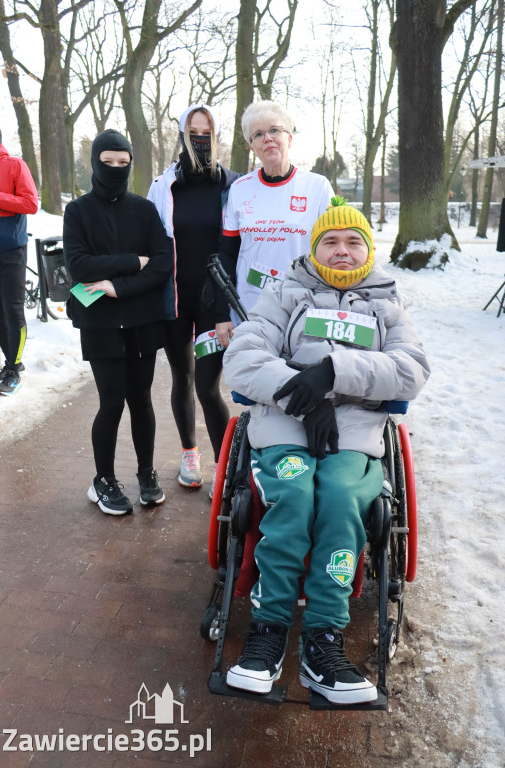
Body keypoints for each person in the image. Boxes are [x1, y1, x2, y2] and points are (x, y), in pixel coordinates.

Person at [222, 198, 430, 705]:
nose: (341, 250)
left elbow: (411, 369)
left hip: (355, 434)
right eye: (330, 242)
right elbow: (243, 359)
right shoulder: (284, 296)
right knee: (292, 494)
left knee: (339, 501)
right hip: (288, 425)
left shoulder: (388, 306)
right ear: (314, 251)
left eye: (353, 241)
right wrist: (300, 392)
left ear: (368, 249)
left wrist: (334, 373)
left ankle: (323, 641)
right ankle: (268, 629)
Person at [64, 129, 174, 516]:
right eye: (107, 162)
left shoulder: (143, 210)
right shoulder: (77, 211)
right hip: (100, 323)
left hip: (141, 319)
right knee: (111, 401)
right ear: (94, 162)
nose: (114, 169)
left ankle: (146, 472)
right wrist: (131, 262)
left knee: (141, 400)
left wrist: (119, 287)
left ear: (131, 164)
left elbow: (162, 262)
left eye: (122, 163)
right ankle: (103, 479)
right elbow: (78, 265)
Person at [148, 104, 240, 497]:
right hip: (174, 301)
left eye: (207, 132)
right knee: (182, 379)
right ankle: (189, 453)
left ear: (216, 136)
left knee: (207, 386)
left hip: (211, 304)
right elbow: (151, 241)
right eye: (193, 131)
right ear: (182, 134)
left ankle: (224, 468)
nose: (200, 138)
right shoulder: (165, 184)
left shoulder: (232, 185)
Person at [214, 100, 334, 348]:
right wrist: (221, 313)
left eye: (274, 130)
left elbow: (334, 251)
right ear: (252, 146)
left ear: (289, 138)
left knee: (297, 383)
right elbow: (227, 254)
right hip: (250, 311)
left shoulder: (318, 187)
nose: (267, 138)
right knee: (250, 382)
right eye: (258, 134)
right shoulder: (240, 189)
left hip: (303, 309)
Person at [0, 123, 38, 396]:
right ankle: (10, 365)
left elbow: (31, 203)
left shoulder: (14, 165)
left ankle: (14, 366)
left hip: (11, 249)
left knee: (12, 309)